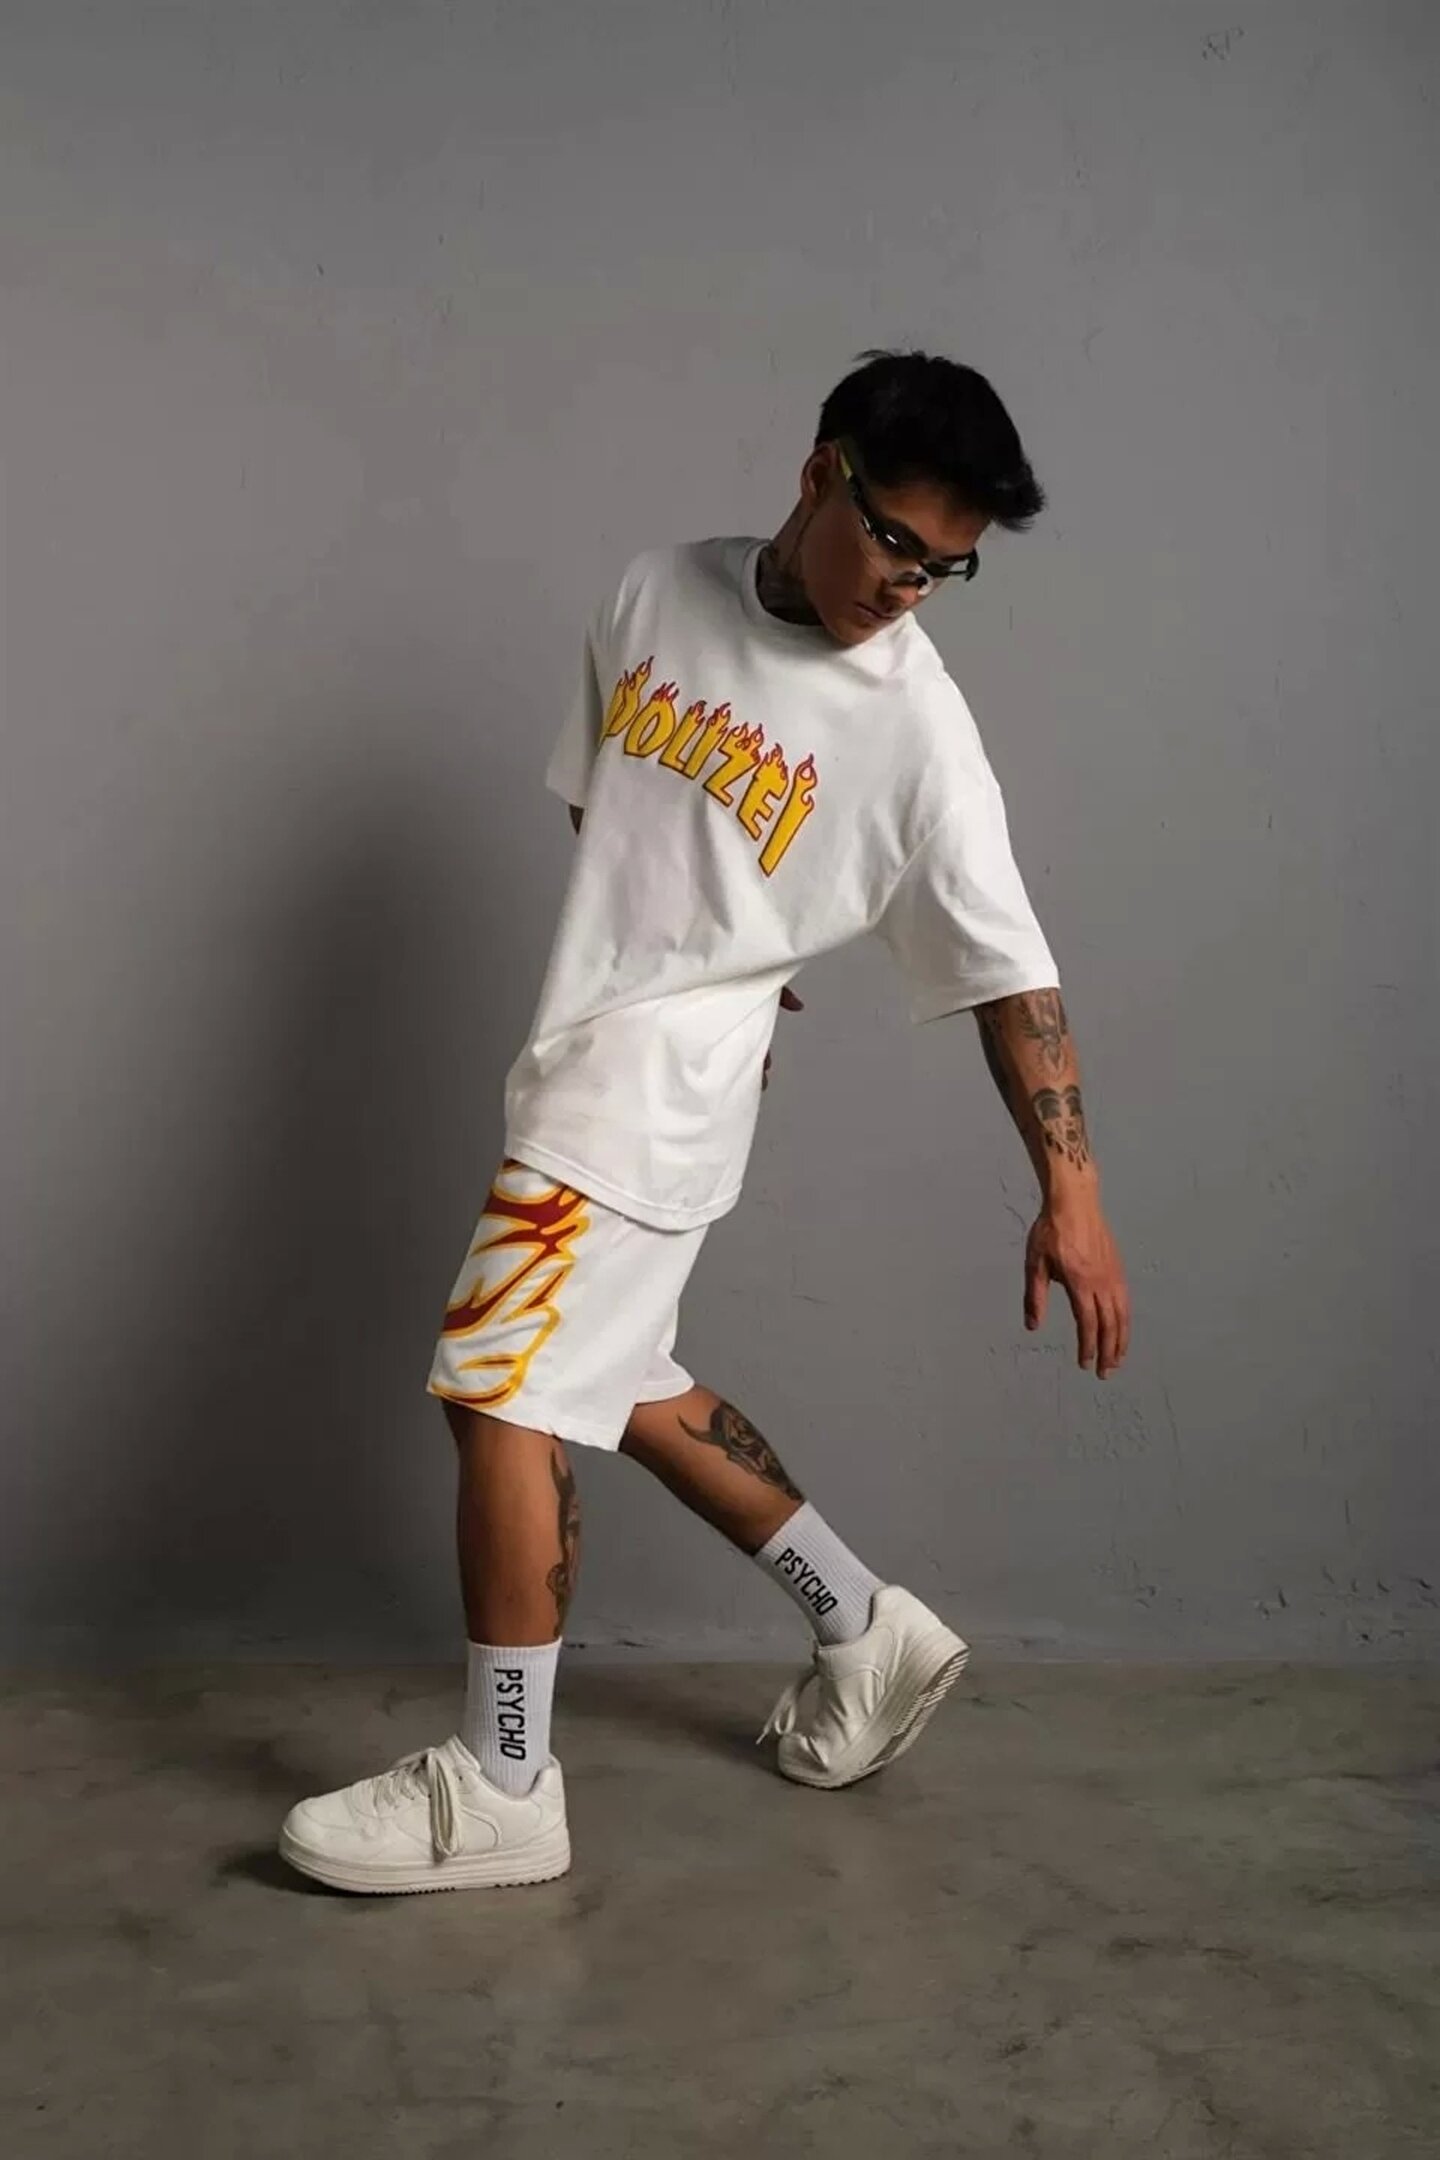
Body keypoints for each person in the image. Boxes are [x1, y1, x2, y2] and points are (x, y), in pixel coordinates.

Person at [279, 348, 1131, 1895]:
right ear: (820, 475)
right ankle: (864, 1626)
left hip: (655, 1100)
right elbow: (611, 805)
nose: (908, 590)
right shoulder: (656, 592)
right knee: (622, 1383)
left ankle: (506, 1782)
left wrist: (1069, 1193)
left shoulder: (918, 733)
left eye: (946, 570)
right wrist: (720, 930)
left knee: (500, 1392)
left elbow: (1014, 975)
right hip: (582, 1050)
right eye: (895, 543)